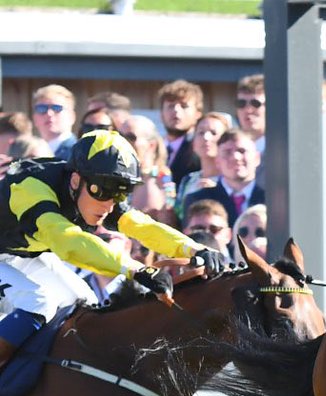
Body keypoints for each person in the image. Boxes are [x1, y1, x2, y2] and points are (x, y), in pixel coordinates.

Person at [0, 129, 225, 373]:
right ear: (75, 180)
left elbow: (143, 226)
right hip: (13, 253)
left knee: (84, 303)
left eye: (120, 192)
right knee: (39, 302)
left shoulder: (94, 193)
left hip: (18, 253)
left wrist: (195, 249)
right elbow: (68, 243)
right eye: (103, 189)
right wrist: (137, 269)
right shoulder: (32, 188)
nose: (108, 205)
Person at [181, 128, 263, 227]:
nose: (235, 157)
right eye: (227, 152)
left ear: (257, 158)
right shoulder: (198, 200)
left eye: (242, 151)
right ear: (217, 162)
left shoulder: (273, 198)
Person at [173, 111, 231, 223]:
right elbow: (180, 218)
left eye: (213, 133)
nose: (206, 137)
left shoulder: (231, 181)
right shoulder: (188, 180)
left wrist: (218, 192)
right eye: (200, 132)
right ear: (193, 143)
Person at [157, 79, 204, 184]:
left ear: (198, 113)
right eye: (170, 106)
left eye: (184, 106)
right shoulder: (153, 149)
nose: (176, 110)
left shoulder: (202, 150)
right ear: (161, 114)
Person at [31, 85, 77, 160]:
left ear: (71, 116)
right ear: (34, 118)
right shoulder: (28, 154)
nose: (49, 113)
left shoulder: (80, 153)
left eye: (56, 108)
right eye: (41, 108)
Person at [235, 74, 266, 156]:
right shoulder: (229, 151)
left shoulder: (283, 150)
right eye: (241, 103)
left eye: (255, 103)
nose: (248, 110)